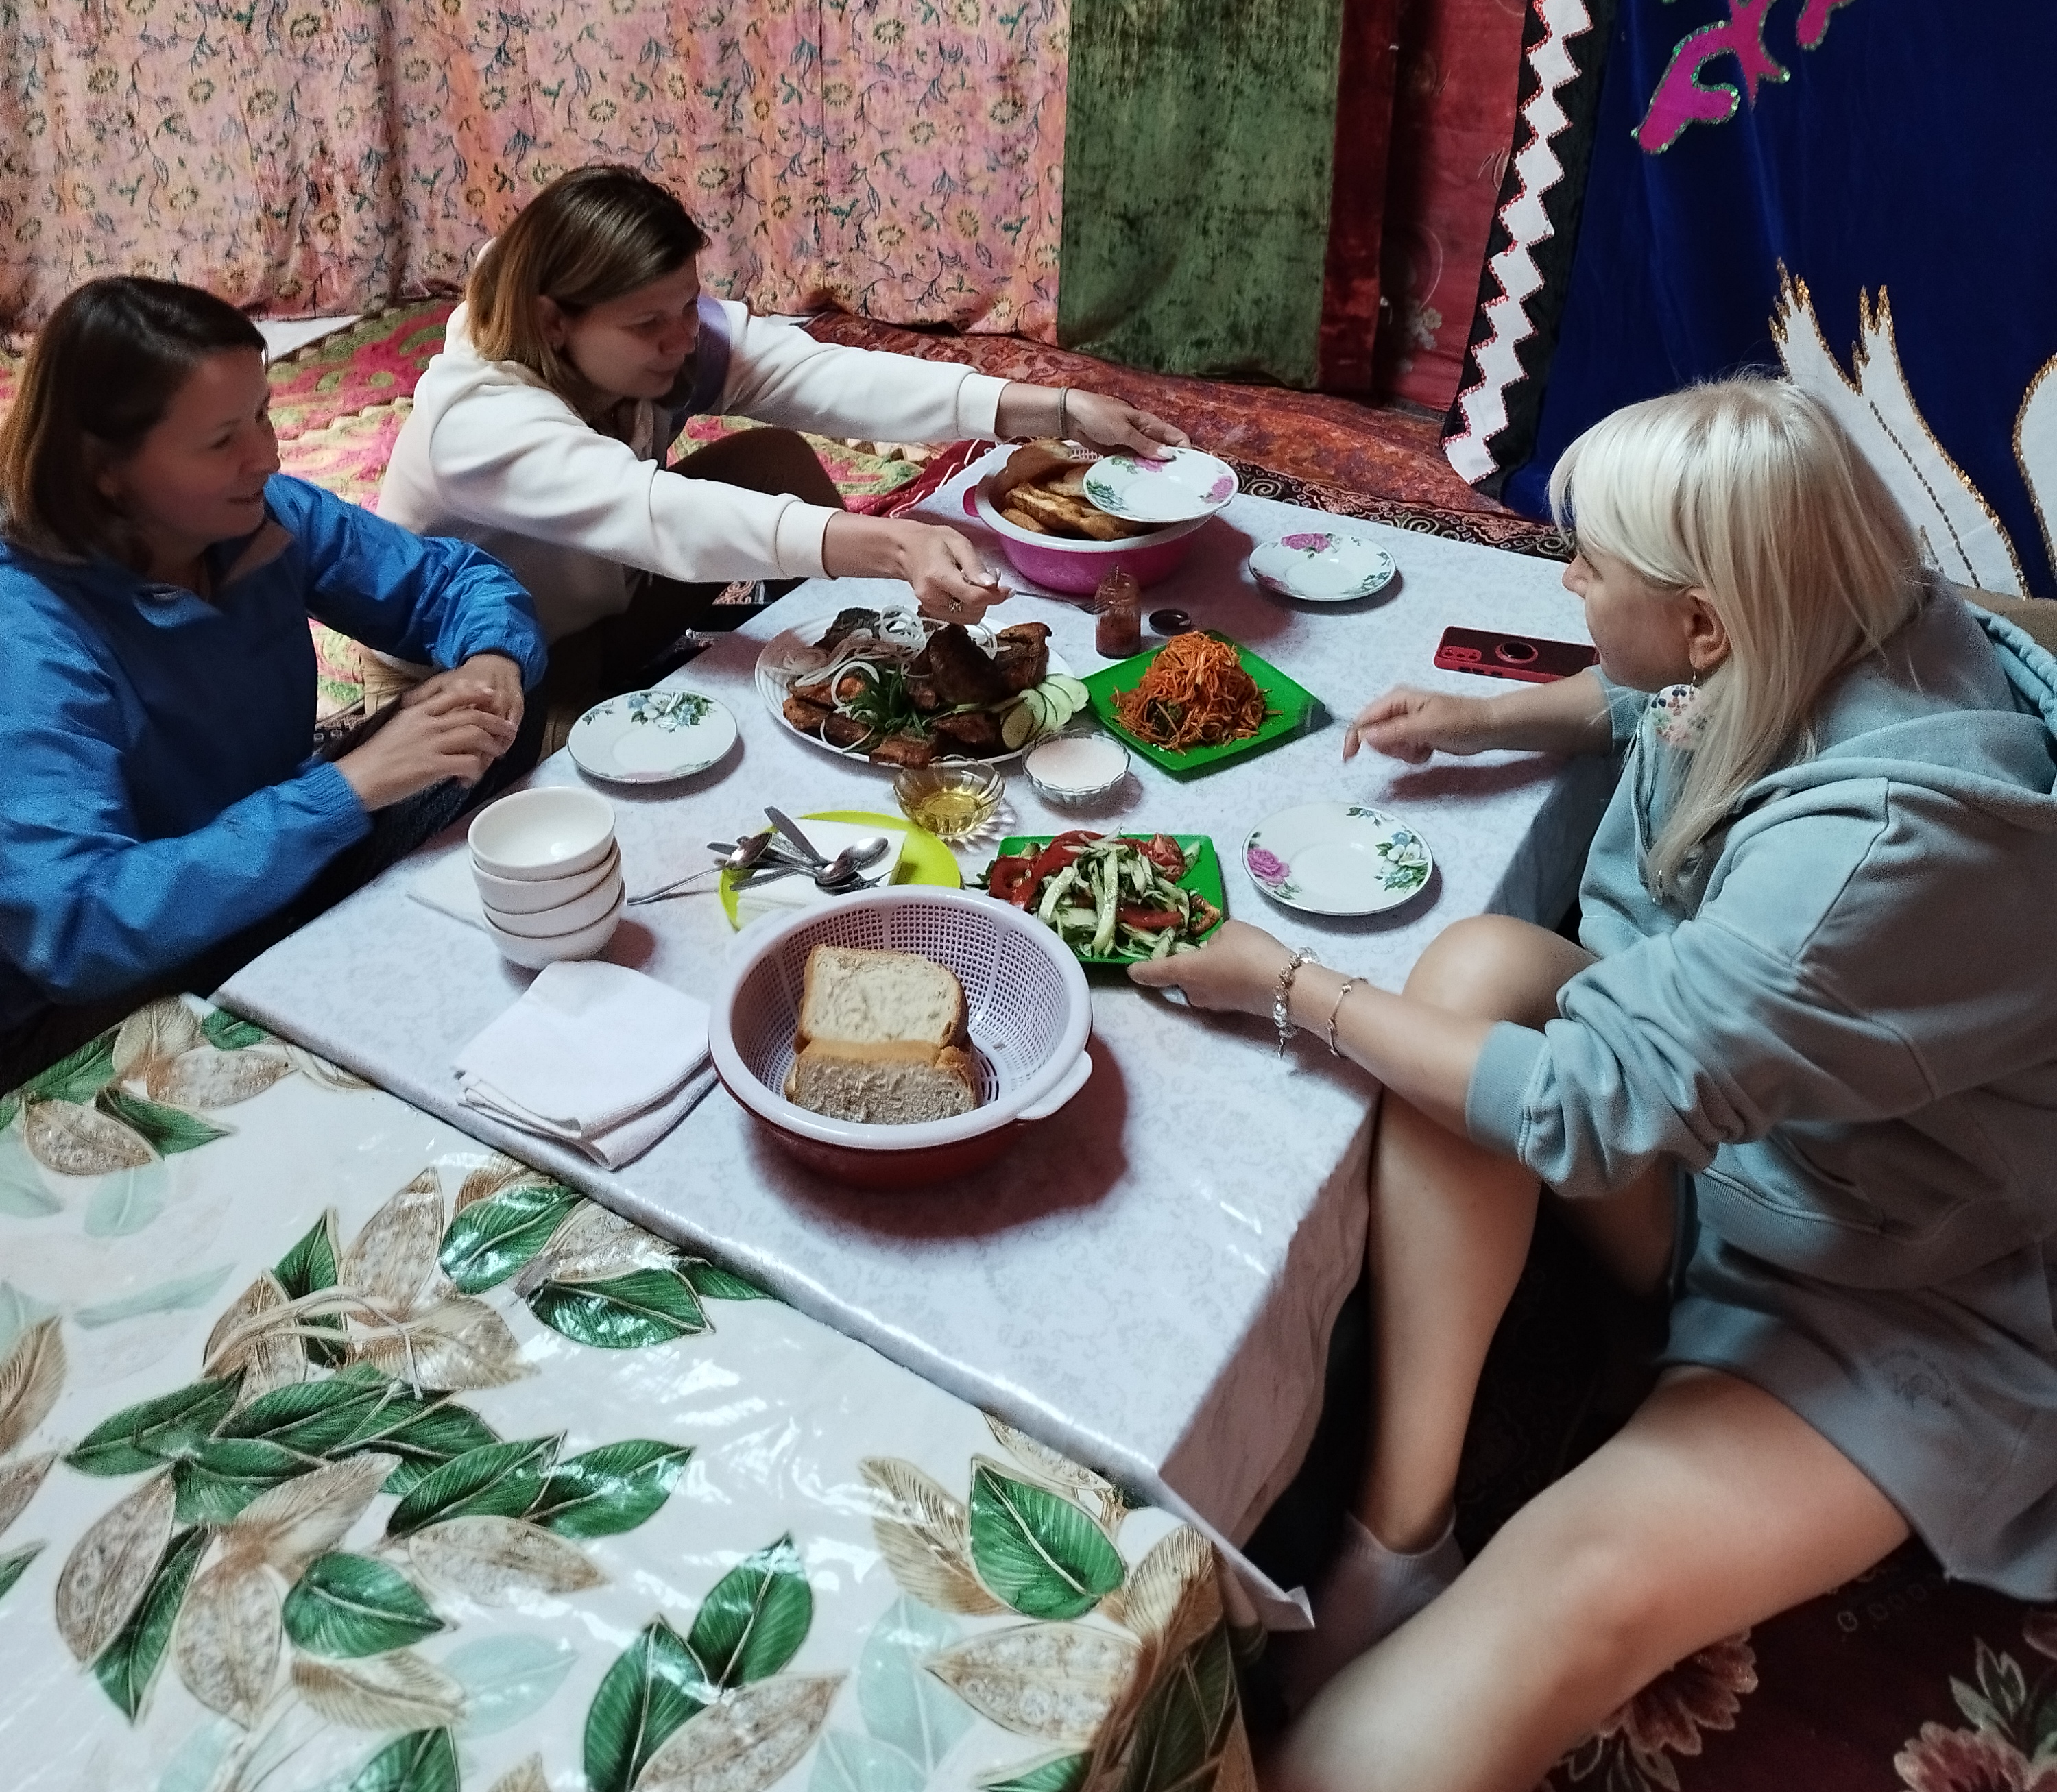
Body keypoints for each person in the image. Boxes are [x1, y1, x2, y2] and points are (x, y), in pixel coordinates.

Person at [1133, 380, 2057, 1792]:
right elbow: (1669, 692)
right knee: (1478, 966)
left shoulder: (1883, 860)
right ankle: (1402, 1529)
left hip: (1899, 1298)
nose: (1565, 582)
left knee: (1556, 1610)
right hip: (1750, 1164)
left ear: (1707, 615)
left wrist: (1287, 985)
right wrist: (1490, 715)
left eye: (1588, 566)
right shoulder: (1848, 604)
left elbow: (1573, 1097)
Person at [378, 166, 1182, 712]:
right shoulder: (476, 421)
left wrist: (1057, 408)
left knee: (773, 464)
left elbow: (817, 374)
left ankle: (834, 668)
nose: (682, 339)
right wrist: (893, 546)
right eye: (649, 323)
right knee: (568, 782)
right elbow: (658, 514)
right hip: (488, 670)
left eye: (688, 306)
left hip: (606, 602)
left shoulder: (637, 330)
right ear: (553, 321)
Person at [0, 277, 549, 1076]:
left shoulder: (260, 515)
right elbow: (78, 926)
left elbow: (450, 584)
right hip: (98, 985)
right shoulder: (31, 636)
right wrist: (344, 791)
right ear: (105, 470)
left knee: (488, 720)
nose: (268, 454)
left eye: (262, 413)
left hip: (266, 848)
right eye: (223, 439)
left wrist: (491, 660)